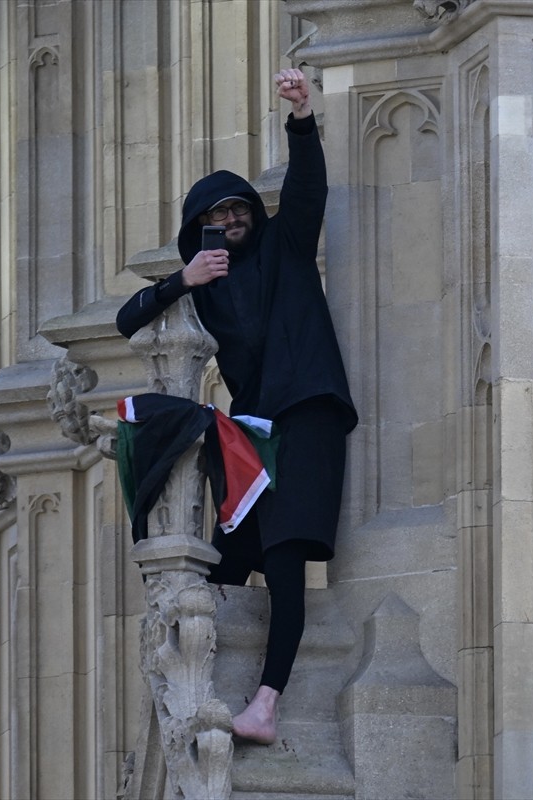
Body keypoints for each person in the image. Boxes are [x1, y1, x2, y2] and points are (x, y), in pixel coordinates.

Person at [116, 68, 356, 744]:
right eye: (215, 220)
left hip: (308, 412)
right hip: (254, 433)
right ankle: (197, 695)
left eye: (237, 212)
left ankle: (268, 705)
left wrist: (301, 118)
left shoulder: (285, 247)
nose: (230, 224)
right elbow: (127, 320)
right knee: (221, 560)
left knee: (282, 560)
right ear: (199, 232)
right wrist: (180, 282)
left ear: (253, 213)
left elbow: (308, 189)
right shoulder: (205, 288)